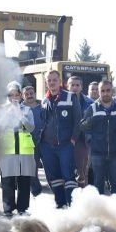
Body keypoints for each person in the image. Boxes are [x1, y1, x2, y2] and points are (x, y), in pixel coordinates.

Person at [39, 70, 82, 208]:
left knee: (68, 176)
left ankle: (72, 206)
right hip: (47, 146)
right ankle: (60, 204)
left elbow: (78, 121)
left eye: (54, 80)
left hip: (65, 145)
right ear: (46, 83)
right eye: (49, 80)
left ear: (60, 81)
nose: (52, 83)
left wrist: (73, 140)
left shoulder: (70, 97)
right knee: (54, 177)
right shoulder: (45, 100)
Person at [0, 82, 36, 217]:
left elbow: (31, 128)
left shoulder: (26, 110)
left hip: (24, 150)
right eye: (10, 95)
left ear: (20, 95)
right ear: (7, 96)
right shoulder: (1, 110)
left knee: (24, 182)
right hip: (7, 149)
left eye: (16, 94)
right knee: (7, 181)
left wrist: (19, 114)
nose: (13, 97)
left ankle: (22, 209)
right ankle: (8, 209)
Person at [79, 80, 116, 195]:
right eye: (102, 91)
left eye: (108, 90)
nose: (105, 93)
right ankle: (99, 211)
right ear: (99, 92)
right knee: (98, 183)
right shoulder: (92, 108)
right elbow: (83, 126)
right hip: (97, 153)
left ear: (112, 91)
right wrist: (90, 122)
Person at [67, 76, 93, 187]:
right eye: (72, 85)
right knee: (68, 169)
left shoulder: (89, 102)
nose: (75, 87)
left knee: (82, 170)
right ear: (67, 86)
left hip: (83, 139)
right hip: (67, 139)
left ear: (82, 87)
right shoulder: (62, 100)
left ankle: (82, 193)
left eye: (77, 85)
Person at [22, 85, 44, 197]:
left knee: (50, 167)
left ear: (35, 93)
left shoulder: (43, 105)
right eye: (27, 94)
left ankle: (56, 189)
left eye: (31, 93)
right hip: (29, 143)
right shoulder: (20, 109)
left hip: (45, 142)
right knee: (32, 169)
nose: (30, 96)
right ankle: (36, 192)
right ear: (23, 96)